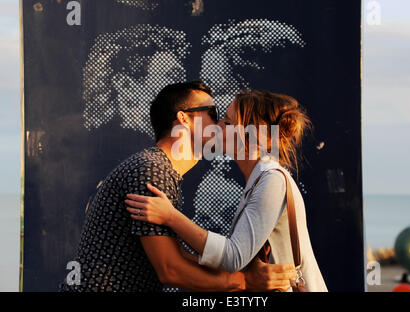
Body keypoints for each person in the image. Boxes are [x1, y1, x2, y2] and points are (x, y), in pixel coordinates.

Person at [60, 82, 296, 292]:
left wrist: (241, 277)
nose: (220, 124)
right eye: (213, 114)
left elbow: (180, 257)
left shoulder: (158, 169)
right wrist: (244, 282)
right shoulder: (151, 170)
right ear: (183, 119)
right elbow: (171, 270)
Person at [126, 90, 328, 291]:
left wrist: (171, 217)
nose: (218, 126)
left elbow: (233, 257)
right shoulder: (259, 179)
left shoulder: (272, 180)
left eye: (227, 122)